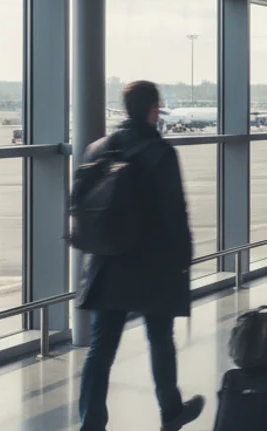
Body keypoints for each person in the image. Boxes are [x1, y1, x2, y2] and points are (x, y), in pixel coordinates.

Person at [77, 81, 205, 431]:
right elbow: (175, 215)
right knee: (160, 339)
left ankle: (91, 422)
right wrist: (183, 260)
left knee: (100, 349)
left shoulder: (97, 149)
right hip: (154, 267)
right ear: (153, 109)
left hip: (108, 263)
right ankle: (170, 410)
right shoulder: (160, 153)